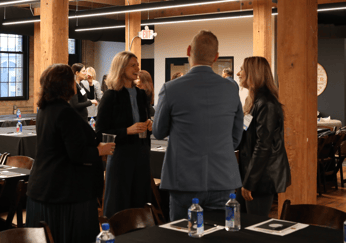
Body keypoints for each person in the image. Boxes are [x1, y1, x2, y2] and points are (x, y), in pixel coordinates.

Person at [153, 30, 244, 221]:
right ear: (216, 56)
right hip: (223, 177)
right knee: (221, 236)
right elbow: (236, 137)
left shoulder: (171, 88)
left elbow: (159, 131)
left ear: (188, 50)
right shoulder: (231, 88)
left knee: (182, 236)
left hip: (183, 180)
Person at [26, 64, 115, 243]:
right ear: (66, 84)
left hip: (44, 186)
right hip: (65, 192)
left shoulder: (44, 109)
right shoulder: (65, 113)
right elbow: (77, 154)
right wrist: (100, 150)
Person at [96, 51, 153, 219]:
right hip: (121, 156)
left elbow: (144, 119)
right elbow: (100, 133)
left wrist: (149, 124)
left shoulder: (141, 94)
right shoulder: (110, 96)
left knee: (140, 200)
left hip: (141, 154)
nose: (137, 68)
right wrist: (127, 130)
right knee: (119, 202)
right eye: (133, 65)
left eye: (137, 64)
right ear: (121, 68)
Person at [236, 56, 291, 217]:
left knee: (255, 226)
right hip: (250, 174)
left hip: (261, 177)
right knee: (241, 222)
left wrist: (250, 182)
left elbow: (263, 146)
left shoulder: (266, 104)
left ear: (253, 73)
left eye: (242, 69)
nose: (239, 73)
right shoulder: (253, 101)